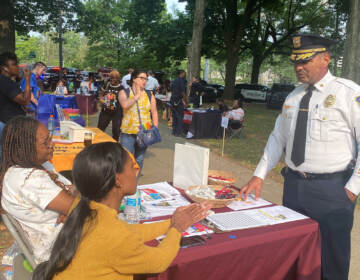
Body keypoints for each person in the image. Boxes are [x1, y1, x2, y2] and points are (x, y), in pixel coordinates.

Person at [240, 34, 360, 280]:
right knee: (294, 255)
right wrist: (259, 175)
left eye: (305, 61)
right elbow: (277, 138)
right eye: (296, 62)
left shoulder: (348, 93)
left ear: (325, 59)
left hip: (333, 191)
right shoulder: (293, 96)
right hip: (294, 186)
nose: (298, 67)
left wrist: (352, 189)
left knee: (331, 263)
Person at [32, 142, 211, 280]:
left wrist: (171, 223)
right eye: (131, 166)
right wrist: (177, 229)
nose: (136, 170)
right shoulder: (110, 231)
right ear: (118, 180)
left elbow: (129, 232)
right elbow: (158, 261)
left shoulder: (86, 207)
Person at [0, 117, 77, 264]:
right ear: (25, 148)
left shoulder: (38, 167)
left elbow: (74, 193)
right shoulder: (28, 179)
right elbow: (79, 207)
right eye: (45, 142)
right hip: (59, 252)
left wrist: (72, 210)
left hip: (65, 237)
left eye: (50, 138)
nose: (52, 144)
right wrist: (73, 210)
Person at [119, 70, 159, 170]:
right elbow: (124, 105)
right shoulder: (124, 92)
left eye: (146, 78)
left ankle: (134, 184)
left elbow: (154, 112)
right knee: (126, 161)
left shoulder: (149, 94)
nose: (144, 81)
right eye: (141, 78)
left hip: (145, 132)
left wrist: (155, 128)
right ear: (134, 79)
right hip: (128, 132)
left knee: (139, 160)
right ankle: (126, 183)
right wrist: (136, 96)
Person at [0, 52, 32, 161]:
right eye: (13, 64)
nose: (17, 67)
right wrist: (27, 79)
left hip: (7, 123)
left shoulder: (6, 81)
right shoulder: (5, 81)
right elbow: (25, 100)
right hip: (7, 125)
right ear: (5, 68)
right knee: (10, 160)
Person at [97, 70, 123, 142]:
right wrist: (101, 99)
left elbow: (124, 100)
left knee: (116, 131)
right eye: (111, 78)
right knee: (100, 129)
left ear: (118, 79)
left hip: (117, 112)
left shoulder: (122, 88)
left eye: (114, 78)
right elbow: (100, 93)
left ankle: (114, 146)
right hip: (106, 111)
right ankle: (98, 144)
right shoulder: (107, 85)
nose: (112, 80)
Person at [170, 70, 188, 137]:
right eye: (184, 74)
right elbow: (183, 92)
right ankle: (178, 132)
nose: (185, 75)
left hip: (172, 99)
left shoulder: (174, 81)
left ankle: (174, 131)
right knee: (180, 116)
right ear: (182, 74)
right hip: (178, 100)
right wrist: (186, 102)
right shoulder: (181, 81)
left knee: (174, 116)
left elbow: (171, 89)